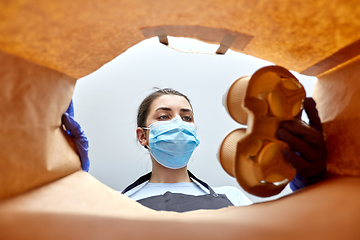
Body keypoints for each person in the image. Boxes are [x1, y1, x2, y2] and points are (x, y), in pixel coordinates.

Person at [62, 88, 328, 212]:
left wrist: (314, 189)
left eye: (186, 118)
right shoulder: (114, 204)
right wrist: (68, 180)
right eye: (164, 117)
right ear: (143, 136)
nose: (179, 124)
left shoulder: (231, 197)